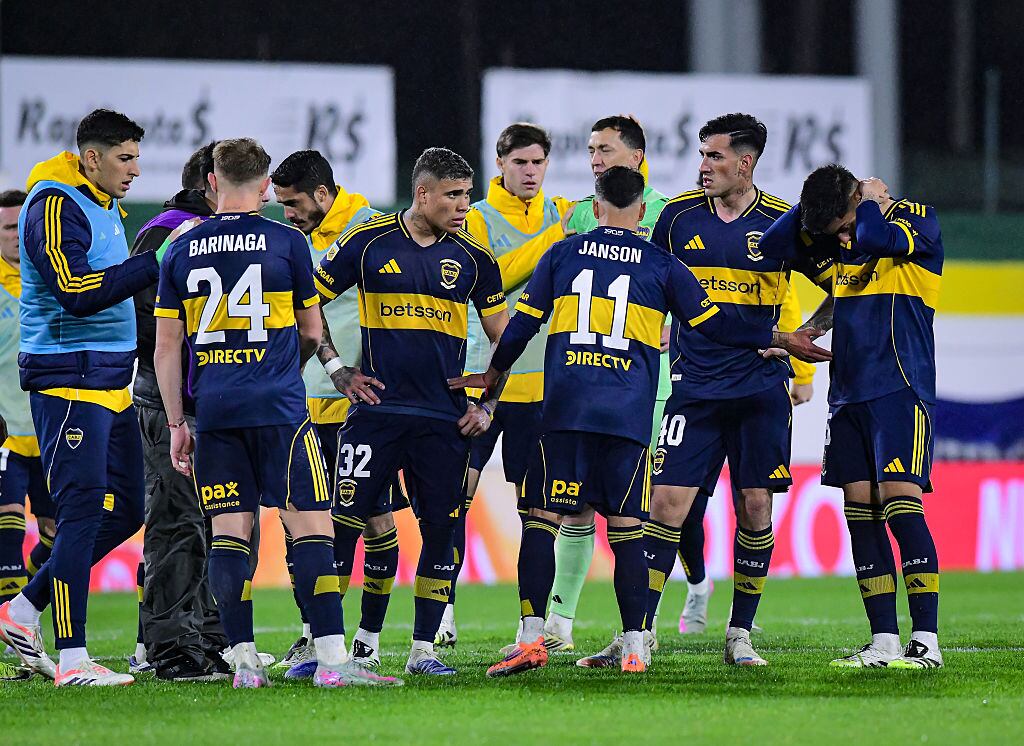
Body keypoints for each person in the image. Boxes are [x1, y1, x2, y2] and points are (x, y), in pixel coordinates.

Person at [453, 166, 828, 677]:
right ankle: (634, 644)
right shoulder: (663, 265)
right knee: (630, 528)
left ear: (598, 206)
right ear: (642, 212)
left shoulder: (561, 253)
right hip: (628, 414)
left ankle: (533, 638)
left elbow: (521, 325)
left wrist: (493, 377)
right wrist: (783, 339)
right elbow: (717, 327)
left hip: (565, 408)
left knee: (541, 521)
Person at [153, 137, 399, 689]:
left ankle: (243, 662)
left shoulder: (181, 247)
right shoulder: (287, 241)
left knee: (229, 534)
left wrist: (176, 422)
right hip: (280, 407)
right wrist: (286, 367)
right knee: (310, 526)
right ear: (265, 186)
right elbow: (312, 331)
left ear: (212, 182)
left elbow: (167, 347)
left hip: (214, 411)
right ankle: (334, 663)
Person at [629, 114, 834, 669]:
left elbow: (846, 280)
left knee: (755, 506)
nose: (703, 166)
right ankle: (639, 632)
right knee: (667, 505)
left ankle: (740, 632)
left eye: (715, 156)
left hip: (758, 390)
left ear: (745, 163)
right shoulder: (676, 217)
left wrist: (802, 337)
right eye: (701, 154)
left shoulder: (782, 223)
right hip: (692, 387)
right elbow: (648, 283)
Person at [314, 147, 509, 676]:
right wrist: (337, 370)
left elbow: (503, 339)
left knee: (442, 530)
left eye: (468, 194)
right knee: (344, 526)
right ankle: (330, 647)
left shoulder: (473, 261)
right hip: (376, 413)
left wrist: (487, 402)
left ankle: (424, 650)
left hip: (442, 420)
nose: (465, 205)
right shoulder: (369, 242)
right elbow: (305, 305)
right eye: (454, 194)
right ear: (423, 193)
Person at [760, 164, 944, 669]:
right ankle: (884, 639)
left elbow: (871, 235)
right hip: (848, 395)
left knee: (900, 504)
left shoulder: (915, 220)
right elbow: (774, 244)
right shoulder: (847, 240)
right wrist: (818, 203)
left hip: (900, 387)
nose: (843, 237)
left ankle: (926, 640)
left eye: (844, 223)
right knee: (860, 511)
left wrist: (866, 202)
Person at [0, 109, 159, 686]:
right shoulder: (55, 202)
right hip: (68, 382)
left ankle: (22, 610)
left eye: (137, 157)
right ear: (92, 157)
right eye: (125, 157)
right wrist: (153, 264)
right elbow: (75, 292)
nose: (136, 170)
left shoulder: (102, 203)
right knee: (81, 514)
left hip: (109, 382)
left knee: (127, 511)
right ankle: (73, 660)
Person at [437, 123, 573, 647]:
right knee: (455, 501)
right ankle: (442, 611)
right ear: (500, 163)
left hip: (542, 387)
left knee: (537, 512)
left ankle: (531, 625)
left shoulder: (561, 212)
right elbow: (498, 273)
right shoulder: (475, 217)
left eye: (538, 162)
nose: (531, 172)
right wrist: (554, 236)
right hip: (484, 382)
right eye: (521, 162)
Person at [270, 150, 404, 675]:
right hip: (303, 402)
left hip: (365, 403)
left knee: (372, 517)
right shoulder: (291, 241)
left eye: (295, 203)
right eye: (281, 204)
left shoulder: (372, 232)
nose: (288, 213)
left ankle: (368, 637)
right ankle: (314, 636)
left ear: (323, 194)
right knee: (302, 523)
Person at [128, 141, 245, 681]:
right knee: (178, 520)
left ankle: (212, 638)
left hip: (221, 398)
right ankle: (172, 647)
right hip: (176, 398)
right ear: (210, 183)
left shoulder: (224, 235)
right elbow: (153, 327)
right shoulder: (167, 233)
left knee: (224, 522)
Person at [0, 190, 56, 613]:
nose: (16, 238)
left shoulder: (52, 280)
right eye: (6, 229)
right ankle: (13, 643)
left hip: (53, 431)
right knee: (8, 532)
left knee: (58, 539)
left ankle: (22, 612)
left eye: (20, 228)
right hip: (6, 437)